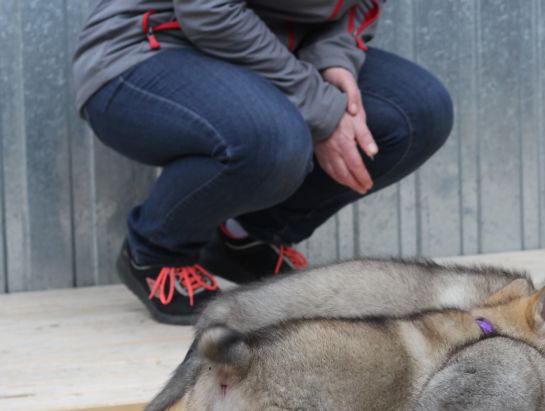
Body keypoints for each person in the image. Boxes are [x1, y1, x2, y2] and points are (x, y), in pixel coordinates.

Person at [73, 1, 453, 324]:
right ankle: (157, 250)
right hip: (147, 50)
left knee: (416, 113)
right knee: (273, 140)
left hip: (270, 57)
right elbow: (208, 10)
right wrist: (317, 104)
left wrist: (333, 58)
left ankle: (243, 237)